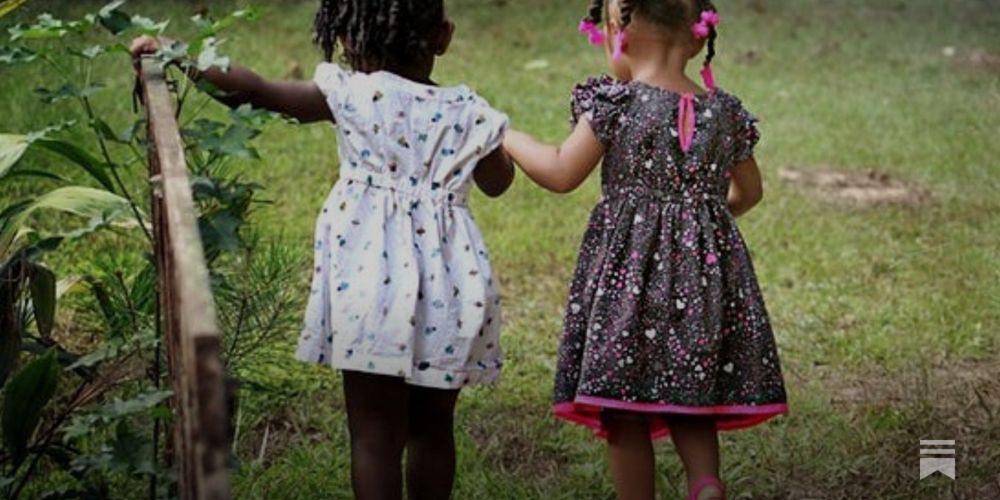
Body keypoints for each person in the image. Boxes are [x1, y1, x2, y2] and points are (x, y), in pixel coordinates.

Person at [131, 1, 514, 498]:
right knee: (433, 430)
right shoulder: (468, 112)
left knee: (375, 437)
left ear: (348, 39)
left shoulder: (351, 93)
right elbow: (498, 182)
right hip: (451, 289)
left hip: (370, 285)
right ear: (443, 37)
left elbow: (256, 91)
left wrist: (179, 55)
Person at [502, 1, 787, 498]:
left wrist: (507, 136)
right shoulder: (725, 113)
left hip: (626, 293)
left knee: (623, 408)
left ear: (619, 34)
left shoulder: (618, 104)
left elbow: (561, 172)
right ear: (699, 40)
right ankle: (704, 483)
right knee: (690, 391)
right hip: (703, 285)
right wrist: (705, 226)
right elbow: (749, 192)